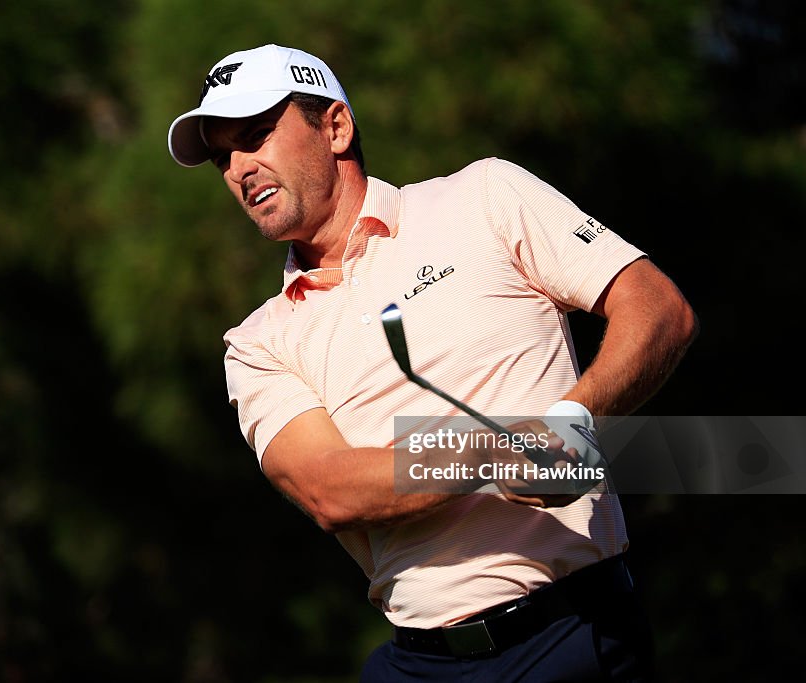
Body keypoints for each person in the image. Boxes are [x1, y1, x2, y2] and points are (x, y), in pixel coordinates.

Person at [168, 44, 697, 682]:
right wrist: (490, 453)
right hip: (420, 663)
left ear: (335, 126)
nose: (239, 168)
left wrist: (572, 422)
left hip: (571, 634)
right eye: (224, 155)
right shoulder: (257, 343)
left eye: (256, 137)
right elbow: (329, 487)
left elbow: (658, 308)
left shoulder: (484, 197)